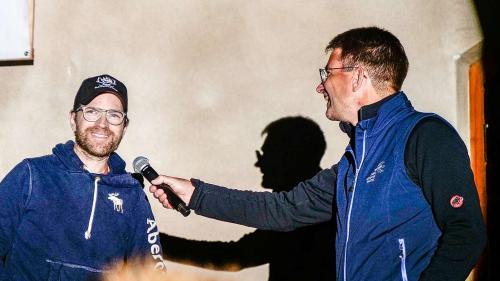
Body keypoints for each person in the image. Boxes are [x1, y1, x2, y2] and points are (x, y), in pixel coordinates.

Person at [149, 27, 486, 281]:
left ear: (358, 78)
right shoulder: (355, 161)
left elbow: (466, 233)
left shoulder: (425, 136)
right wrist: (193, 193)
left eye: (327, 74)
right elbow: (281, 209)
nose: (320, 85)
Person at [0, 74, 166, 281]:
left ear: (124, 126)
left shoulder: (133, 196)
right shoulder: (32, 175)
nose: (102, 123)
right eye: (92, 111)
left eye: (114, 115)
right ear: (73, 119)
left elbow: (151, 274)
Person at [159, 116, 334, 281]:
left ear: (290, 157)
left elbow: (235, 256)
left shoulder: (301, 213)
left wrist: (151, 241)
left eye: (266, 154)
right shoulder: (323, 205)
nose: (259, 163)